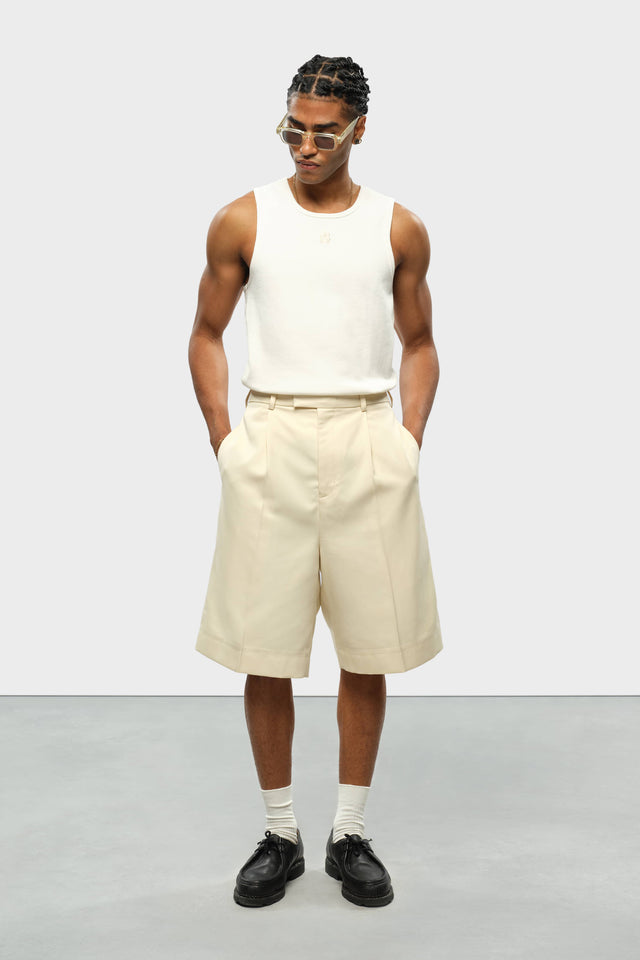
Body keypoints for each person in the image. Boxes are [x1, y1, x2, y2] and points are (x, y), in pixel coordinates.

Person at [188, 54, 443, 909]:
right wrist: (227, 443)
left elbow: (419, 343)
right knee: (265, 648)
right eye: (293, 129)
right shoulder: (243, 218)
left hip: (369, 436)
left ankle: (350, 833)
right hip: (274, 436)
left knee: (368, 646)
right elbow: (205, 332)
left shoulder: (397, 227)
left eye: (324, 133)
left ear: (358, 129)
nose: (305, 145)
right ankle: (280, 833)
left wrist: (407, 442)